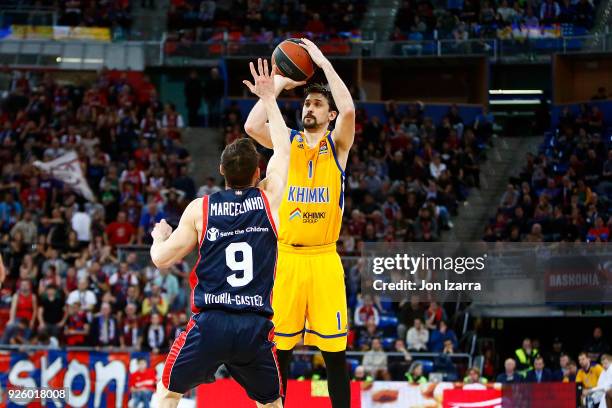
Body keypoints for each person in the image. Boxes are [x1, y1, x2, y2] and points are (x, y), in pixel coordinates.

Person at [150, 58, 290, 408]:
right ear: (259, 172)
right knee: (271, 403)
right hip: (253, 326)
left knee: (168, 392)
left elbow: (161, 260)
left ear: (221, 171)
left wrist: (159, 235)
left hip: (210, 323)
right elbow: (285, 150)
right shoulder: (270, 199)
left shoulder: (201, 209)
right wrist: (270, 97)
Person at [244, 38, 355, 408]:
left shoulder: (337, 146)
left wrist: (321, 63)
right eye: (307, 102)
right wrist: (279, 83)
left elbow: (351, 110)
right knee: (281, 352)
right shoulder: (286, 144)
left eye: (318, 103)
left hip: (324, 259)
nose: (310, 106)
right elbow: (252, 124)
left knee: (335, 356)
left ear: (330, 115)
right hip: (287, 258)